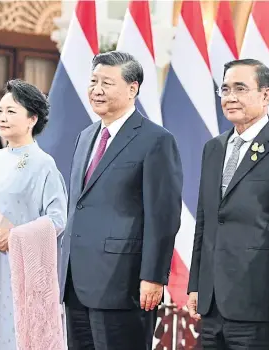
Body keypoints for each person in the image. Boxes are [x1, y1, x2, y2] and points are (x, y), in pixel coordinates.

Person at [187, 58, 269, 349]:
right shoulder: (213, 148)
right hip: (212, 305)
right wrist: (196, 284)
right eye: (225, 89)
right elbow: (205, 223)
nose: (230, 97)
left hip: (262, 305)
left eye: (240, 89)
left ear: (266, 95)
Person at [60, 51, 183, 350]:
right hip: (76, 281)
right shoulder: (86, 136)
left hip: (123, 285)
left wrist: (153, 277)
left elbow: (163, 216)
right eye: (93, 81)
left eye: (107, 82)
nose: (97, 89)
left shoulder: (156, 140)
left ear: (133, 89)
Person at [0, 79, 68, 349]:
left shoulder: (44, 164)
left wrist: (16, 237)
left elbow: (58, 219)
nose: (2, 118)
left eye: (11, 111)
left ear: (32, 118)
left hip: (16, 266)